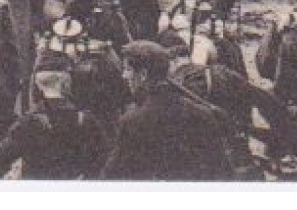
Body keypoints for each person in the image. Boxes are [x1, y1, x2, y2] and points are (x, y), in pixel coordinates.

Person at [100, 41, 233, 180]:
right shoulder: (202, 113)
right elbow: (223, 173)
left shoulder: (132, 122)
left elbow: (111, 177)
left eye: (128, 70)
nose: (124, 76)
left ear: (143, 74)